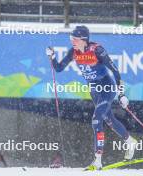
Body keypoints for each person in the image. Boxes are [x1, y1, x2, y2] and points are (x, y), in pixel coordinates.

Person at [46, 25, 137, 170]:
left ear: (84, 40)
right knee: (109, 119)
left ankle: (98, 160)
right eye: (71, 38)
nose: (72, 41)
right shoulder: (73, 52)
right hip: (94, 90)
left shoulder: (97, 50)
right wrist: (52, 57)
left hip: (107, 87)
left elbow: (115, 71)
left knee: (96, 120)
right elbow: (58, 68)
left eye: (75, 39)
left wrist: (122, 94)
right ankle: (130, 141)